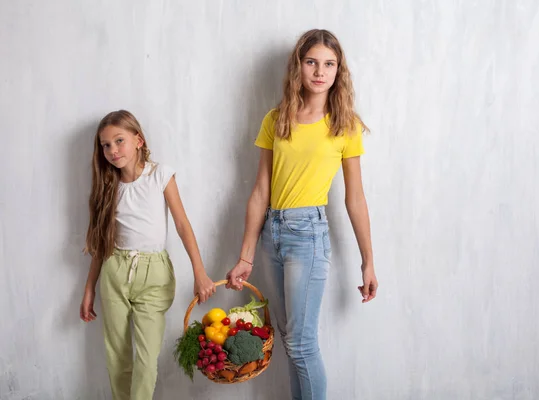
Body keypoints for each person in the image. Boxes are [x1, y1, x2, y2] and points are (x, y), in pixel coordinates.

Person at [226, 29, 378, 400]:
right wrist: (245, 255)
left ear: (338, 70)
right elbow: (261, 191)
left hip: (308, 234)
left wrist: (368, 261)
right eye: (312, 61)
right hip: (271, 233)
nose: (319, 71)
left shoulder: (345, 125)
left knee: (302, 344)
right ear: (299, 65)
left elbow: (354, 197)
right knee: (289, 337)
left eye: (329, 64)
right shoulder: (276, 119)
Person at [79, 110, 215, 400]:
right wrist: (90, 287)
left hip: (154, 274)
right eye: (106, 145)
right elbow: (101, 244)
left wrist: (199, 272)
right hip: (115, 270)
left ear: (138, 140)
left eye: (119, 141)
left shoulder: (160, 175)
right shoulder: (107, 186)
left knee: (147, 357)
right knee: (117, 354)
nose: (113, 150)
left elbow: (182, 225)